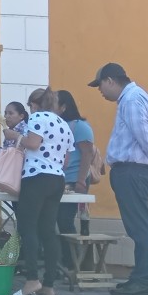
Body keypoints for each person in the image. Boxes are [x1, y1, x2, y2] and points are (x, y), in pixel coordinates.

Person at [89, 62, 148, 295]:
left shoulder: (132, 99)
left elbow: (143, 133)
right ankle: (138, 278)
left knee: (141, 227)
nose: (100, 91)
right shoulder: (134, 98)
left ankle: (142, 281)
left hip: (132, 171)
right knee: (139, 226)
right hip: (132, 170)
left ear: (111, 80)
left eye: (100, 86)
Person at [12, 88, 74, 295]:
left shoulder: (38, 118)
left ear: (35, 104)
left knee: (27, 227)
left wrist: (15, 137)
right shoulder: (63, 124)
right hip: (57, 178)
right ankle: (48, 284)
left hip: (36, 176)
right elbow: (66, 160)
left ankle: (31, 279)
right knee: (48, 230)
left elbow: (33, 144)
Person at [55, 90, 94, 236]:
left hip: (74, 178)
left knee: (65, 219)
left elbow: (87, 153)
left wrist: (81, 180)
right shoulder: (56, 124)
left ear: (63, 106)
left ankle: (71, 257)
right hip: (58, 178)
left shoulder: (79, 126)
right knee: (56, 219)